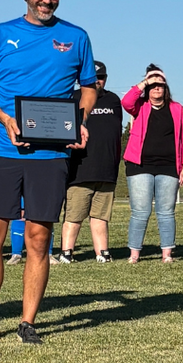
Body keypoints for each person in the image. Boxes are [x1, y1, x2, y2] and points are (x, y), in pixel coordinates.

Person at [0, 0, 96, 345]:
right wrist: (4, 118)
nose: (47, 0)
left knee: (39, 238)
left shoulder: (77, 37)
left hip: (51, 156)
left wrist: (80, 120)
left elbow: (87, 88)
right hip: (2, 151)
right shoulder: (0, 34)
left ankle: (28, 323)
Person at [121, 66, 183, 263]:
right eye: (152, 85)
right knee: (140, 211)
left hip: (169, 167)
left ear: (166, 87)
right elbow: (126, 102)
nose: (156, 88)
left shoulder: (177, 109)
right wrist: (145, 82)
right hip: (139, 166)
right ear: (147, 88)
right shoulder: (140, 106)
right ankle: (134, 254)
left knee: (166, 211)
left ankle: (167, 254)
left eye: (160, 84)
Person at [58, 61, 121, 263]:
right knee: (74, 216)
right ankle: (67, 253)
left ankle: (102, 253)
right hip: (80, 171)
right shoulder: (73, 98)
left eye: (101, 77)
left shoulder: (113, 100)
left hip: (106, 171)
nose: (97, 81)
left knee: (101, 217)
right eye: (93, 78)